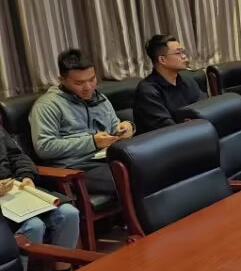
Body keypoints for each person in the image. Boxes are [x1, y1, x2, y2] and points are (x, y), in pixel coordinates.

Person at [30, 49, 134, 196]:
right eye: (79, 83)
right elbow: (44, 147)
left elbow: (114, 126)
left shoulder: (99, 98)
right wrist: (92, 142)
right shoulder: (47, 105)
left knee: (149, 168)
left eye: (92, 79)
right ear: (62, 80)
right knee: (130, 179)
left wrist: (126, 128)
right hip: (75, 167)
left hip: (106, 158)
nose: (88, 87)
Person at [1, 126, 80, 255]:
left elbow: (16, 155)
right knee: (34, 226)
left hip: (15, 188)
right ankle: (25, 269)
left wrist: (26, 175)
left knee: (69, 213)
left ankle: (62, 266)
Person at [133, 35, 203, 134]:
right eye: (178, 53)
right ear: (162, 60)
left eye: (183, 52)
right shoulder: (147, 91)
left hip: (197, 134)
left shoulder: (188, 81)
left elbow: (205, 108)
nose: (184, 56)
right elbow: (168, 129)